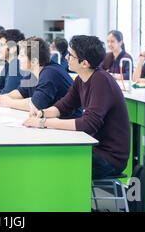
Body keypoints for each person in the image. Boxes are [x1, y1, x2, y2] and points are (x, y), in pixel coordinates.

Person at [23, 35, 130, 179]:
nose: (66, 57)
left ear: (84, 63)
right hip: (93, 148)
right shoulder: (81, 78)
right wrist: (42, 113)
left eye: (71, 55)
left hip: (109, 158)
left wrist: (44, 123)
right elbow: (64, 106)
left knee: (51, 162)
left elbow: (88, 124)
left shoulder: (101, 81)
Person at [0, 37, 81, 119]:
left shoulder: (50, 73)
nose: (18, 58)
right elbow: (21, 92)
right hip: (53, 122)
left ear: (34, 60)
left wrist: (9, 102)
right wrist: (2, 97)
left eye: (22, 55)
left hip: (69, 125)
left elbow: (36, 105)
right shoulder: (34, 73)